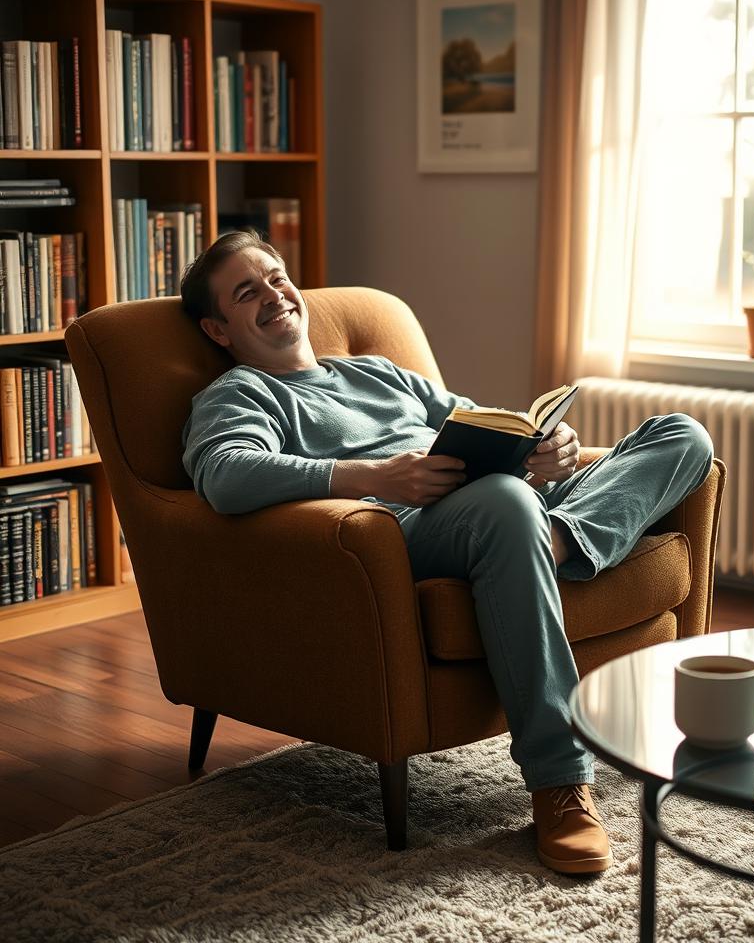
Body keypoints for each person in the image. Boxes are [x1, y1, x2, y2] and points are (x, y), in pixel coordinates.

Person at [179, 230, 714, 875]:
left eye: (275, 277)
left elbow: (483, 420)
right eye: (246, 293)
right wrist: (376, 476)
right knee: (506, 505)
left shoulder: (373, 371)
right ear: (218, 329)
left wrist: (547, 450)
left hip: (503, 503)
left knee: (682, 436)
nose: (274, 295)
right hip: (406, 531)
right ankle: (561, 783)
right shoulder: (238, 394)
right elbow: (226, 474)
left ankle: (562, 536)